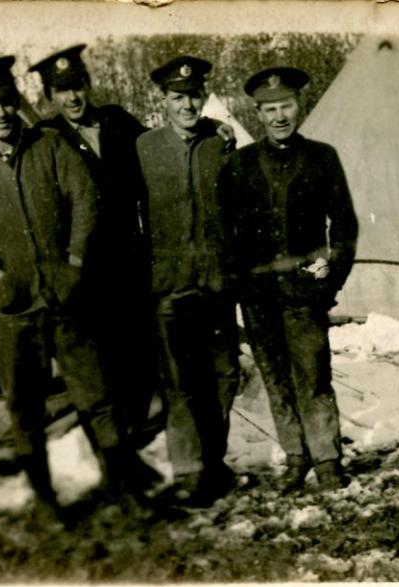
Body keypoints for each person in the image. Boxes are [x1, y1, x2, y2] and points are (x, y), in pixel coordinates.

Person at [0, 56, 140, 523]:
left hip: (65, 300)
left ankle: (122, 487)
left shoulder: (49, 146)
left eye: (7, 102)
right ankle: (45, 500)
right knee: (24, 408)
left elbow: (85, 198)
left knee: (96, 394)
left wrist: (73, 260)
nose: (2, 113)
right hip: (11, 311)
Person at [218, 67, 359, 494]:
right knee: (276, 378)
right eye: (270, 108)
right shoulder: (239, 164)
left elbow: (346, 225)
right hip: (259, 297)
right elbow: (226, 231)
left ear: (299, 106)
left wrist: (330, 279)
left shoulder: (322, 157)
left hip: (305, 294)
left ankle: (328, 460)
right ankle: (296, 458)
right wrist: (240, 284)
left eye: (287, 106)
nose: (280, 116)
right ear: (257, 112)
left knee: (313, 375)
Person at [136, 56, 242, 506]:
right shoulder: (142, 148)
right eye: (178, 97)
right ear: (164, 100)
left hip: (216, 282)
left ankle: (213, 463)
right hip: (168, 284)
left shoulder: (220, 143)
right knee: (179, 381)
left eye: (194, 96)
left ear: (204, 97)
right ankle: (187, 470)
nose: (187, 104)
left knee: (223, 375)